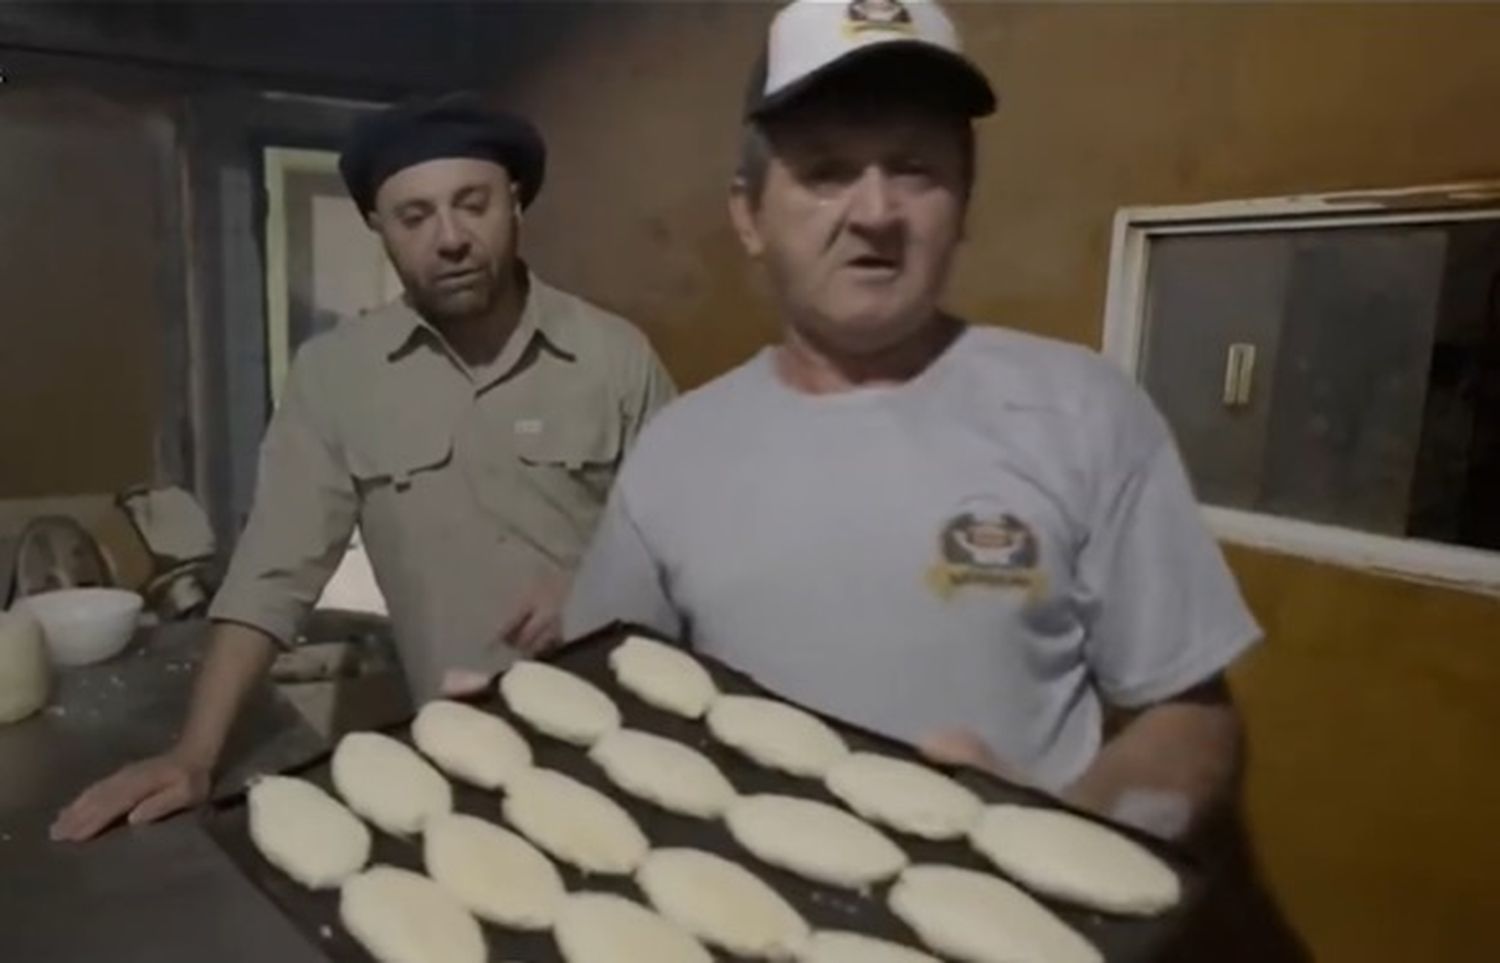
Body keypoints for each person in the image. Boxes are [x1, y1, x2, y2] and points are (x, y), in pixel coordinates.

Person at [567, 0, 1252, 842]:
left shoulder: (1083, 412)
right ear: (749, 214)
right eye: (826, 170)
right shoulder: (676, 453)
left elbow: (1191, 718)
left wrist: (1065, 837)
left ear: (962, 202)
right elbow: (600, 706)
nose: (877, 212)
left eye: (916, 168)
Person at [52, 93, 675, 842]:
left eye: (471, 204)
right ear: (380, 229)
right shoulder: (337, 376)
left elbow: (691, 544)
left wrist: (601, 580)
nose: (449, 238)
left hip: (628, 736)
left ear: (515, 203)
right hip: (458, 750)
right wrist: (194, 753)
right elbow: (272, 574)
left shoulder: (615, 357)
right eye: (414, 217)